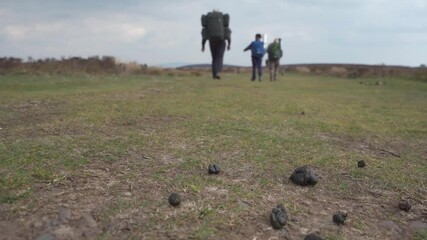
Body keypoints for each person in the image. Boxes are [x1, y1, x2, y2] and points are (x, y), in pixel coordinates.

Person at [201, 10, 231, 79]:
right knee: (219, 57)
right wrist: (229, 44)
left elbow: (205, 35)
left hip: (212, 41)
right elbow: (227, 34)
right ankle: (217, 72)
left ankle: (214, 74)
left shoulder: (209, 22)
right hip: (221, 41)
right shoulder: (223, 22)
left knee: (214, 58)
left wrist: (203, 45)